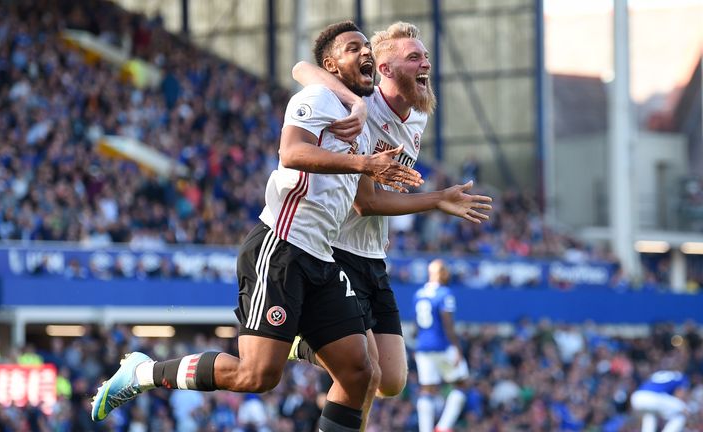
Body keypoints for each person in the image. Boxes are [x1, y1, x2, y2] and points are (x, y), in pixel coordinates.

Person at [91, 21, 424, 432]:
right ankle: (144, 372)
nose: (365, 54)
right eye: (353, 48)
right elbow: (292, 151)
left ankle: (296, 338)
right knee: (257, 377)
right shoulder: (317, 98)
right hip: (281, 246)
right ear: (331, 64)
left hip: (321, 257)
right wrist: (363, 163)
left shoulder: (364, 111)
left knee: (362, 374)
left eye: (366, 48)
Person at [289, 21, 492, 425]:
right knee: (365, 373)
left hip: (372, 257)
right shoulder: (360, 104)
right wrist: (437, 200)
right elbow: (301, 69)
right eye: (414, 57)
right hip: (336, 251)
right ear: (384, 69)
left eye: (426, 57)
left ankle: (307, 343)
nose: (426, 65)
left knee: (392, 382)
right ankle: (304, 341)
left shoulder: (417, 116)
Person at [413, 259, 469, 432]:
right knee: (462, 383)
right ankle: (444, 427)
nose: (447, 274)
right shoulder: (445, 294)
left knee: (427, 389)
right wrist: (457, 348)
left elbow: (417, 325)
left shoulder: (419, 293)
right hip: (442, 346)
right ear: (439, 273)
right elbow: (448, 325)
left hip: (423, 347)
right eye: (445, 270)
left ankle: (425, 429)